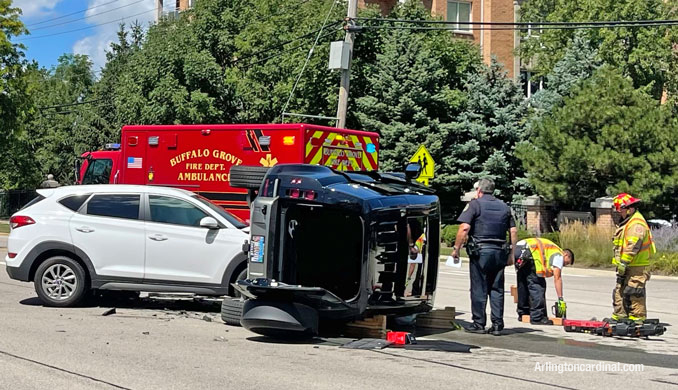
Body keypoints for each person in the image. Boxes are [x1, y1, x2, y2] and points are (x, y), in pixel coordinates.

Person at [452, 178, 518, 336]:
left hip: (480, 252)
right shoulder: (504, 207)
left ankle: (479, 324)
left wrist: (456, 249)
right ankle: (497, 325)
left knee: (479, 288)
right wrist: (512, 254)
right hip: (500, 252)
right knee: (497, 288)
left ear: (479, 191)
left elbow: (464, 228)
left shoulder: (475, 204)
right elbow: (513, 231)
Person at [609, 193, 656, 324]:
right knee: (620, 290)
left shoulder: (636, 224)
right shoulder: (628, 222)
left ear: (629, 208)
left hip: (637, 265)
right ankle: (620, 315)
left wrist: (624, 262)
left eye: (621, 210)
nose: (620, 213)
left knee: (635, 292)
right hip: (628, 264)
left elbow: (633, 245)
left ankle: (637, 319)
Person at [514, 238, 574, 324]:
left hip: (519, 249)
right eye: (566, 263)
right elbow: (557, 278)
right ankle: (537, 317)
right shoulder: (558, 254)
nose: (564, 265)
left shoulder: (550, 249)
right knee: (538, 285)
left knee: (523, 283)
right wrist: (560, 298)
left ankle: (523, 314)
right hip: (531, 253)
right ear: (566, 255)